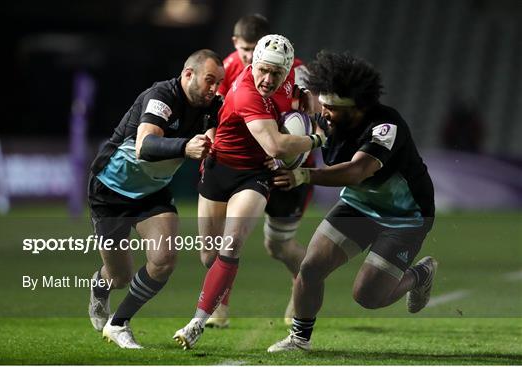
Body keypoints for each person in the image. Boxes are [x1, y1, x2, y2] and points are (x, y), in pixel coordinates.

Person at [267, 51, 438, 352]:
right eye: (323, 104)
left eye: (331, 107)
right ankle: (299, 340)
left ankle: (419, 275)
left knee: (368, 297)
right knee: (311, 267)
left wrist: (304, 175)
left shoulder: (386, 125)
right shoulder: (329, 119)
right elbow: (303, 122)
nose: (325, 112)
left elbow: (358, 171)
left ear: (356, 108)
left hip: (405, 216)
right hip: (359, 205)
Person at [173, 34, 324, 350]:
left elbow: (303, 86)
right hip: (220, 168)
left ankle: (197, 322)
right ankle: (219, 304)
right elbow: (276, 145)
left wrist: (309, 96)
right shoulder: (244, 92)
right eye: (263, 71)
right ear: (253, 64)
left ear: (287, 71)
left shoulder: (291, 75)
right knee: (209, 256)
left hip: (254, 176)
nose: (268, 79)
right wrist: (317, 139)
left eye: (276, 74)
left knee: (232, 246)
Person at [87, 49, 225, 349]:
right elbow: (144, 146)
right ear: (188, 74)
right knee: (119, 277)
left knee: (164, 260)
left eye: (219, 83)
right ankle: (100, 286)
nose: (214, 89)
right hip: (110, 190)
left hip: (153, 191)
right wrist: (185, 146)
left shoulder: (212, 105)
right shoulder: (162, 96)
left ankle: (119, 323)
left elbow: (214, 138)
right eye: (209, 81)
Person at [203, 13, 316, 329]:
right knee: (224, 239)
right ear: (235, 45)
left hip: (290, 172)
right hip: (248, 169)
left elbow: (315, 115)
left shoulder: (295, 70)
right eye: (246, 51)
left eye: (257, 49)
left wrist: (294, 150)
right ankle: (219, 308)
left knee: (277, 246)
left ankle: (303, 281)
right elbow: (216, 116)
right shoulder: (228, 71)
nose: (252, 59)